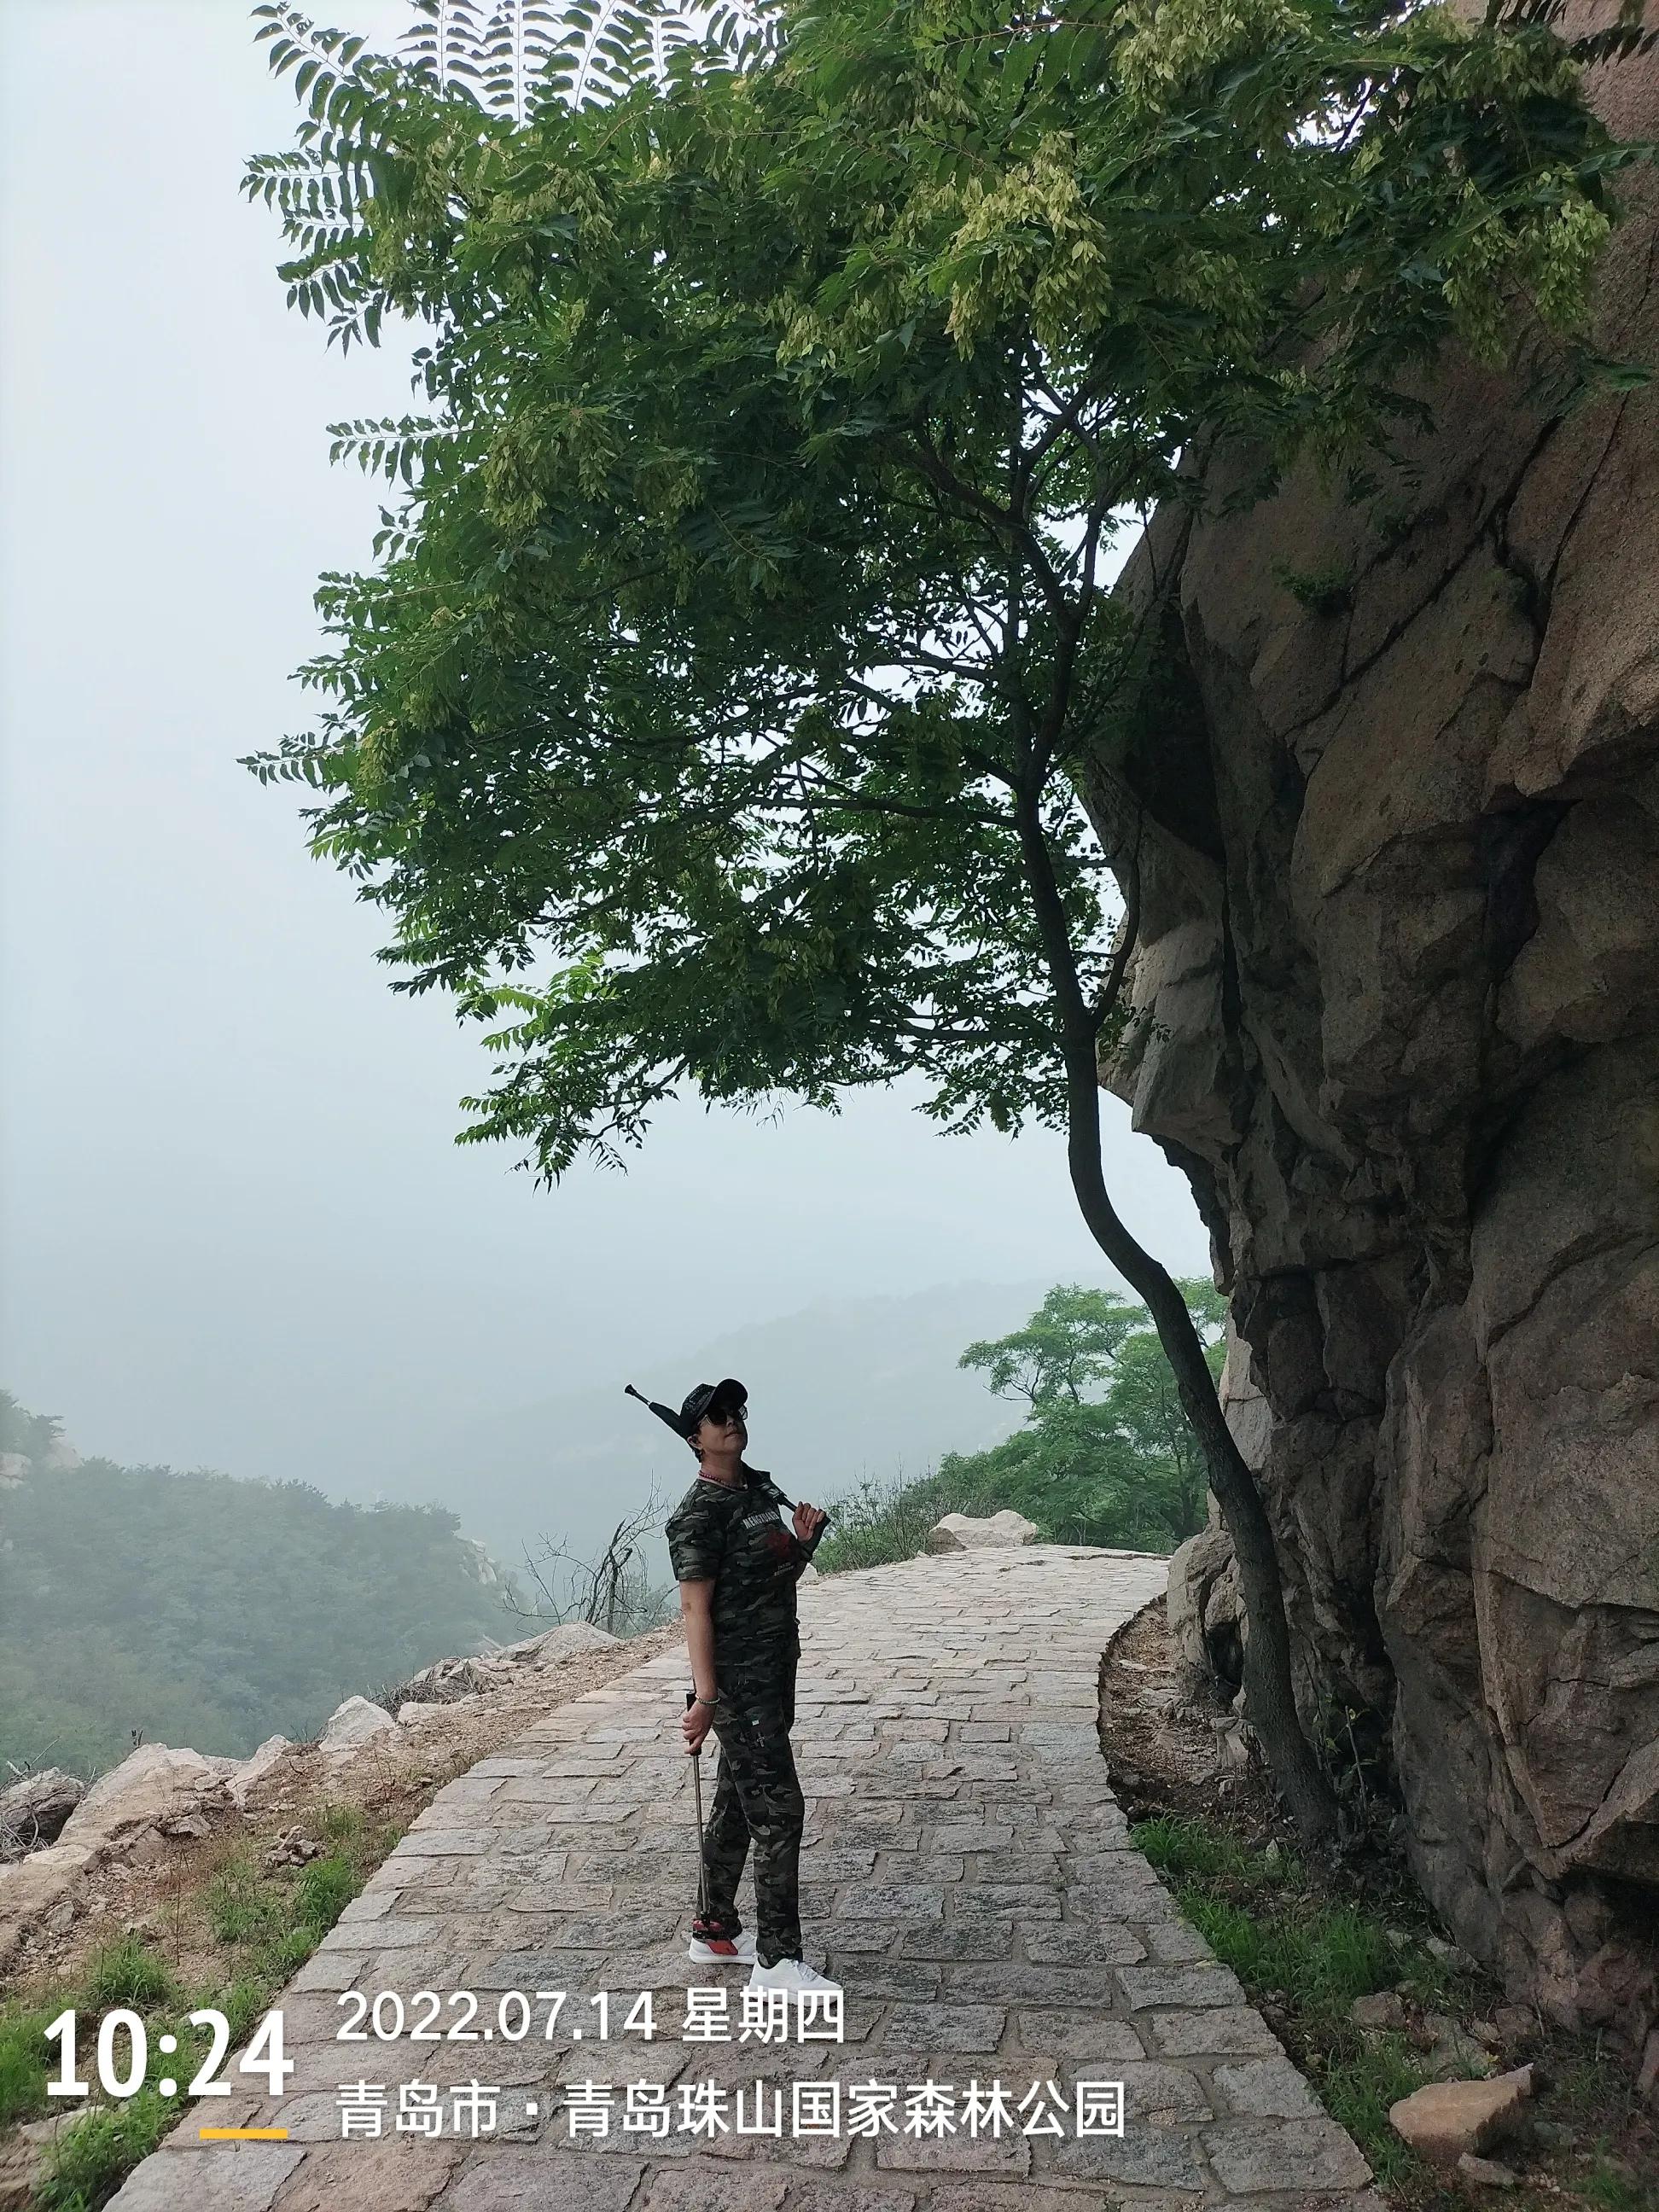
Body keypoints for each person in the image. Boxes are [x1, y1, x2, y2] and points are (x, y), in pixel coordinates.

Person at [664, 1377, 841, 1995]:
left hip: (775, 1670)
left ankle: (714, 1929)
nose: (730, 1421)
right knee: (780, 1810)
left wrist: (803, 1544)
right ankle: (777, 1962)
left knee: (738, 1803)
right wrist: (708, 1698)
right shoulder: (697, 1516)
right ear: (695, 1439)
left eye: (735, 1411)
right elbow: (695, 1612)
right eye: (715, 1418)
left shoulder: (759, 1490)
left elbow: (773, 1579)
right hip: (739, 1685)